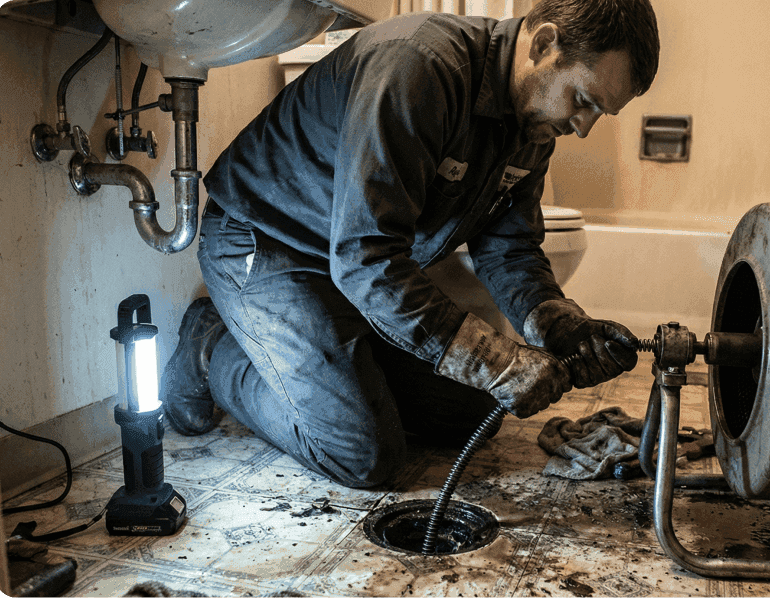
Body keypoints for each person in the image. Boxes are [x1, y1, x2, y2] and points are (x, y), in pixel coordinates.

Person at [161, 0, 660, 489]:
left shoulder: (532, 123)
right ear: (545, 44)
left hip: (348, 272)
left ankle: (345, 369)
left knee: (475, 413)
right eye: (584, 100)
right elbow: (366, 257)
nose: (584, 127)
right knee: (361, 453)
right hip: (267, 243)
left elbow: (511, 248)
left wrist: (559, 323)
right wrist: (496, 360)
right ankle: (212, 345)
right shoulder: (418, 67)